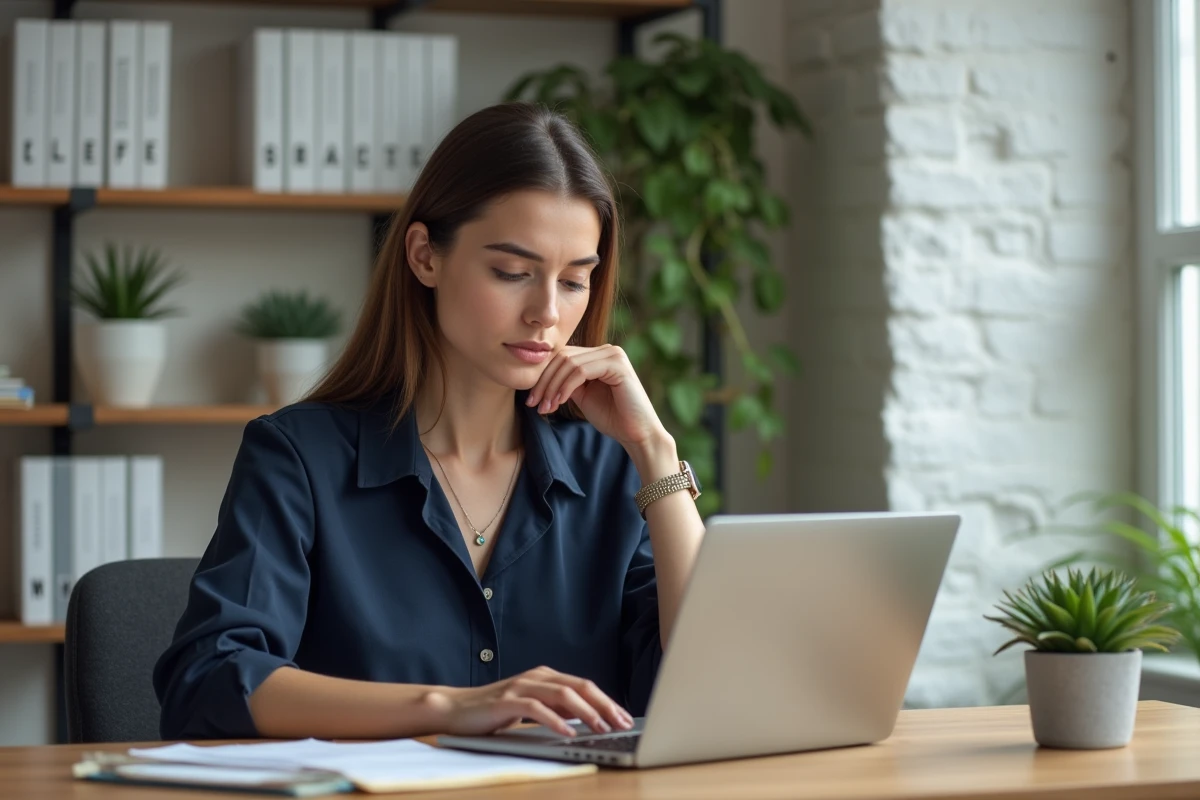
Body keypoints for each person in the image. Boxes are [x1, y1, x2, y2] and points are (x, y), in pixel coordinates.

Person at [152, 102, 707, 742]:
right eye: (512, 272)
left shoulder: (612, 468)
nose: (547, 313)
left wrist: (656, 452)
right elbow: (212, 680)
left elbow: (704, 682)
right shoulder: (300, 457)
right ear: (424, 256)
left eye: (576, 281)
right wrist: (450, 708)